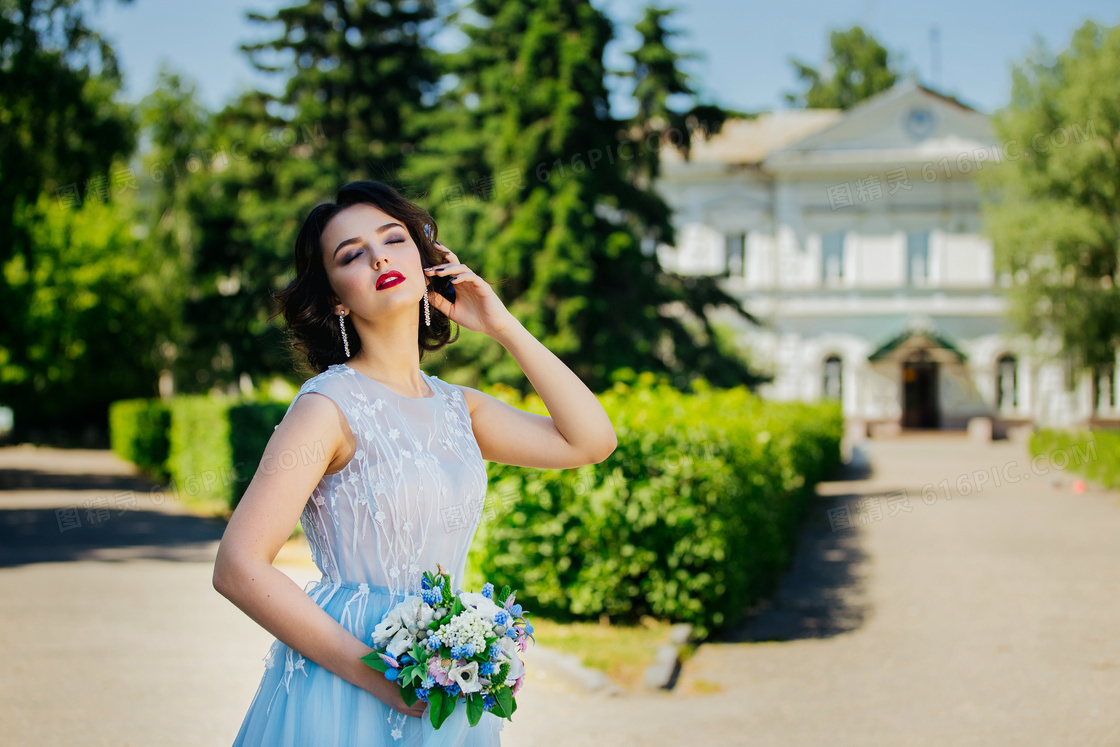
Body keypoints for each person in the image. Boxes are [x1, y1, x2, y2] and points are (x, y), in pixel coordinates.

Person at [212, 180, 617, 746]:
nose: (379, 256)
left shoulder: (459, 408)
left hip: (446, 671)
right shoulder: (327, 408)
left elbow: (591, 442)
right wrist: (381, 681)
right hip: (348, 680)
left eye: (393, 239)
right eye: (350, 254)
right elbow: (238, 567)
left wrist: (503, 325)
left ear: (427, 265)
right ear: (335, 297)